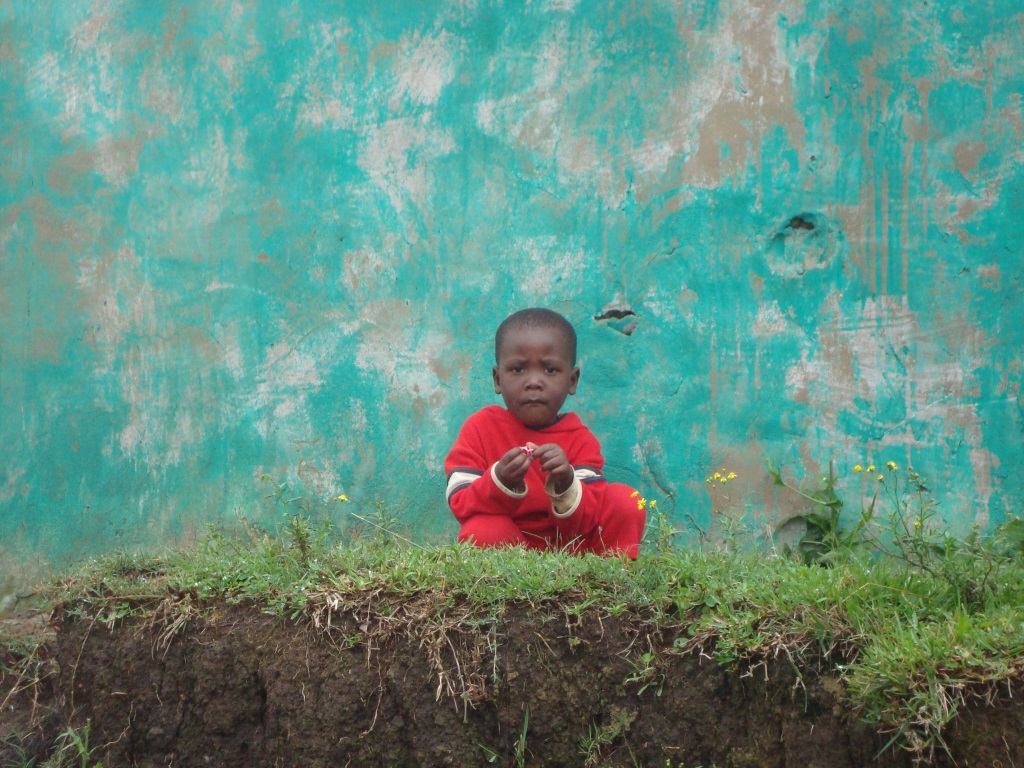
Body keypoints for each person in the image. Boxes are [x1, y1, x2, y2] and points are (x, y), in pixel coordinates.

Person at [444, 308, 646, 558]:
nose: (534, 382)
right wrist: (498, 480)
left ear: (572, 380)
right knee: (481, 531)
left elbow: (588, 519)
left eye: (550, 370)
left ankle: (614, 575)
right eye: (518, 369)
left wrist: (566, 484)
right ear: (497, 379)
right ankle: (510, 581)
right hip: (512, 549)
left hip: (573, 552)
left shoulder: (580, 439)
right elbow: (460, 501)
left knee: (627, 500)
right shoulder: (480, 429)